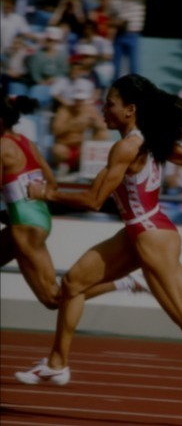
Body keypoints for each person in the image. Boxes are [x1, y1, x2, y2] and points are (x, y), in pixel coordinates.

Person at [15, 74, 182, 386]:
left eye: (109, 104)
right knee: (72, 284)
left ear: (130, 109)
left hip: (152, 237)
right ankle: (57, 363)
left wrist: (47, 194)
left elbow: (94, 200)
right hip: (138, 233)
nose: (102, 109)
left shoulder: (127, 147)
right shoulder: (147, 139)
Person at [1, 94, 143, 310]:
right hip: (37, 218)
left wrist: (14, 200)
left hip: (24, 225)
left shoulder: (2, 147)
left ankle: (125, 283)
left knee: (54, 298)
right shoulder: (25, 142)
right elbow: (52, 184)